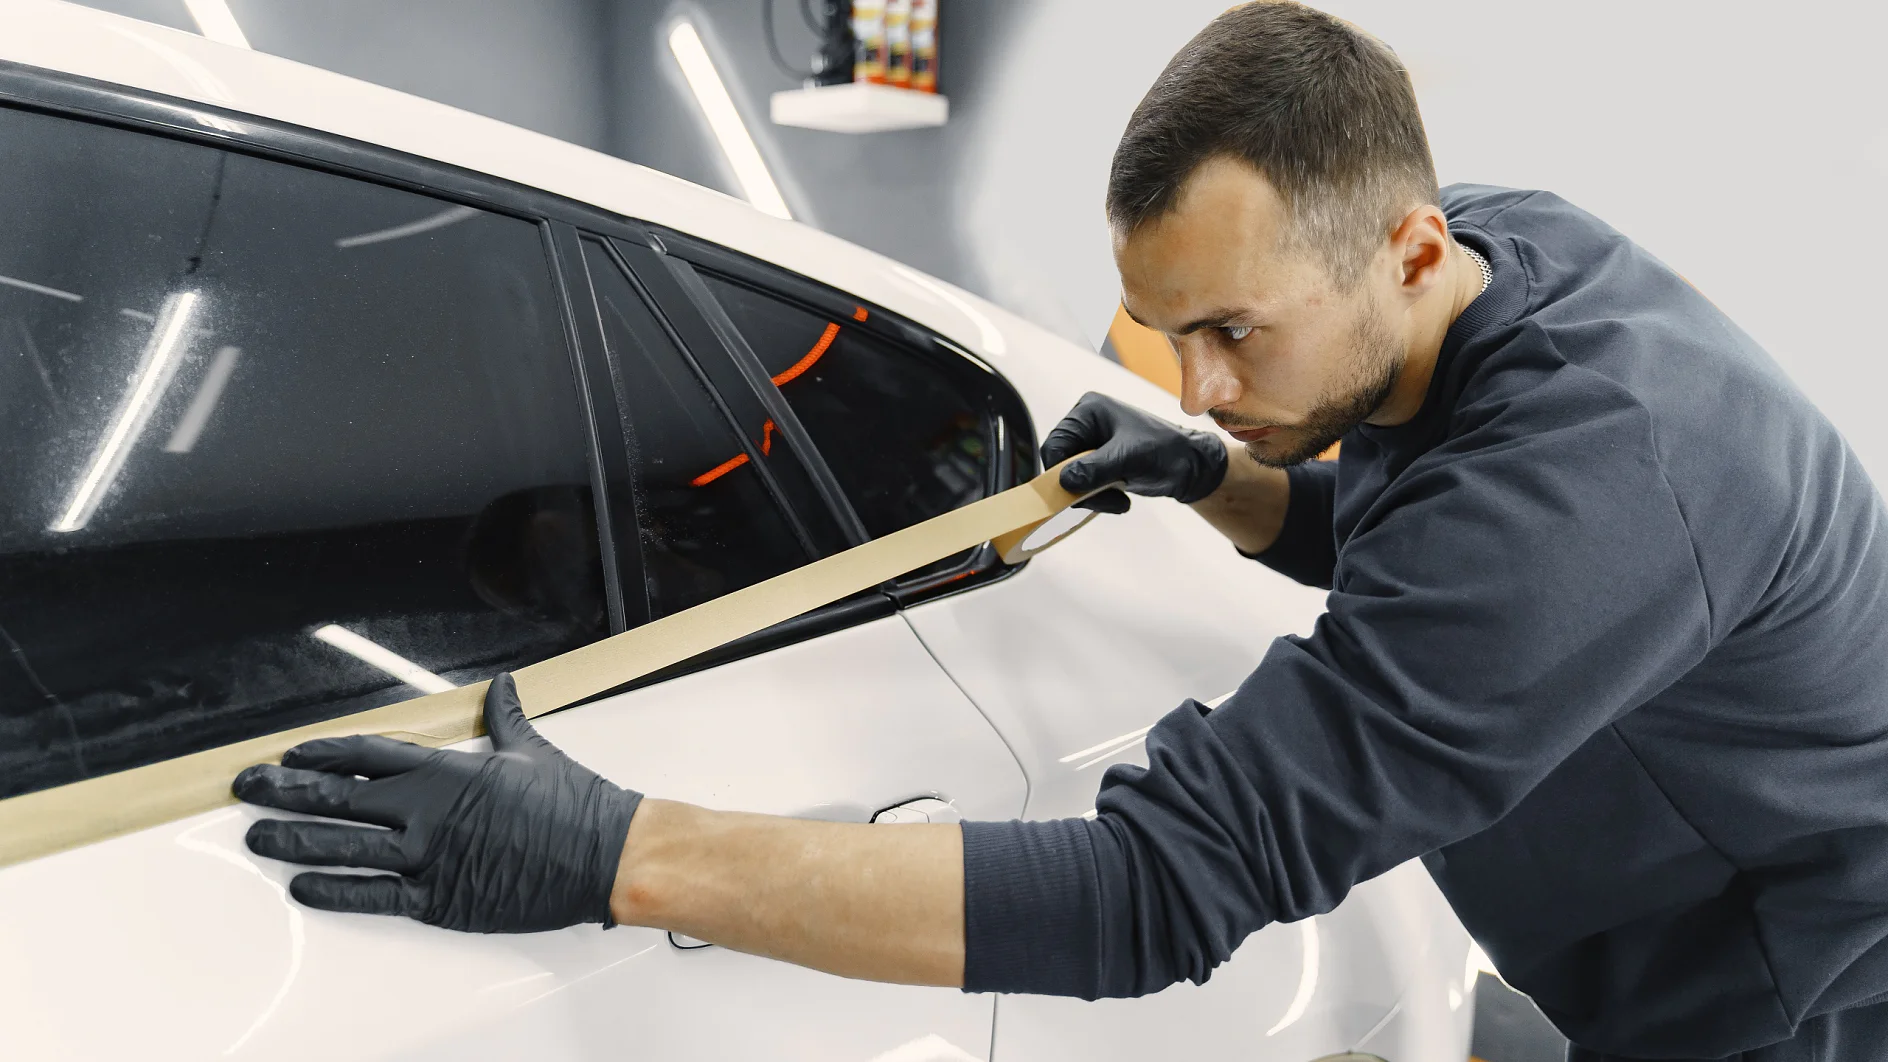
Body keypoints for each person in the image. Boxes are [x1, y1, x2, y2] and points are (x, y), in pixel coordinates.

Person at [232, 4, 1888, 1059]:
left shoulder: (1595, 484)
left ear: (1404, 245)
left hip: (1783, 998)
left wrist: (611, 852)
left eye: (1235, 333)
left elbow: (1157, 893)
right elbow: (1401, 514)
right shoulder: (1495, 261)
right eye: (1168, 332)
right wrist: (1218, 482)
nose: (1198, 378)